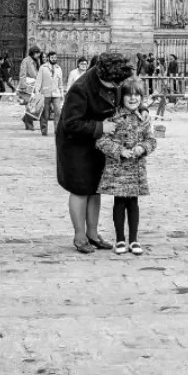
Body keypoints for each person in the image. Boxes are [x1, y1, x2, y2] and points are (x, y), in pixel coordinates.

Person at [56, 52, 134, 253]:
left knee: (95, 188)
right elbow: (71, 122)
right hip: (76, 145)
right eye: (113, 84)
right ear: (102, 76)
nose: (116, 87)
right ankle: (79, 236)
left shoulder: (114, 81)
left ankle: (93, 233)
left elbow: (126, 95)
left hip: (97, 144)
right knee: (81, 189)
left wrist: (139, 108)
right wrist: (101, 127)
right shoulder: (80, 89)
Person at [96, 77, 157, 255]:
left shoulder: (143, 118)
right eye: (129, 95)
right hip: (118, 168)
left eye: (137, 95)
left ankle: (134, 239)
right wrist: (119, 150)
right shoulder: (114, 117)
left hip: (136, 167)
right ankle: (120, 239)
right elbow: (101, 140)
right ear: (121, 97)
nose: (133, 98)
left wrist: (142, 148)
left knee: (134, 203)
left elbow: (151, 140)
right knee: (120, 202)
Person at [35, 50, 64, 136]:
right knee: (45, 113)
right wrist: (37, 92)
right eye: (52, 57)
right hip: (45, 93)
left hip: (56, 94)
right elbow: (38, 81)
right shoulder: (43, 68)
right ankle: (44, 130)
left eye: (55, 57)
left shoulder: (59, 68)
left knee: (58, 112)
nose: (54, 59)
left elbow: (60, 83)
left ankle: (57, 130)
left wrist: (62, 93)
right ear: (48, 58)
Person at [18, 46, 42, 130]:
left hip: (35, 85)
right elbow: (22, 74)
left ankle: (26, 119)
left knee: (34, 104)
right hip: (28, 85)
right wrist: (23, 86)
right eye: (37, 53)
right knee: (29, 105)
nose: (39, 55)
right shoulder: (26, 61)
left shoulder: (36, 60)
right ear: (33, 52)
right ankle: (29, 124)